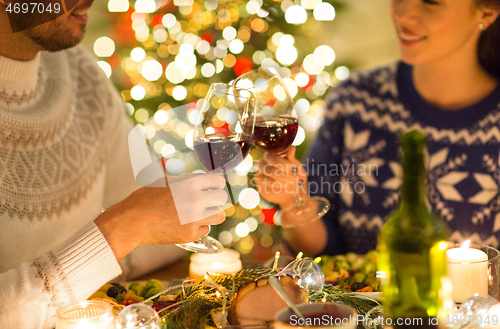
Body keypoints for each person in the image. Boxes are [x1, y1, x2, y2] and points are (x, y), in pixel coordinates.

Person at [0, 0, 228, 328]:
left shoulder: (77, 71)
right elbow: (136, 221)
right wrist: (122, 229)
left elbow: (151, 216)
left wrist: (147, 225)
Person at [255, 0, 500, 256]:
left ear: (487, 11)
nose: (403, 14)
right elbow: (322, 253)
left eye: (431, 2)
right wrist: (292, 203)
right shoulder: (354, 102)